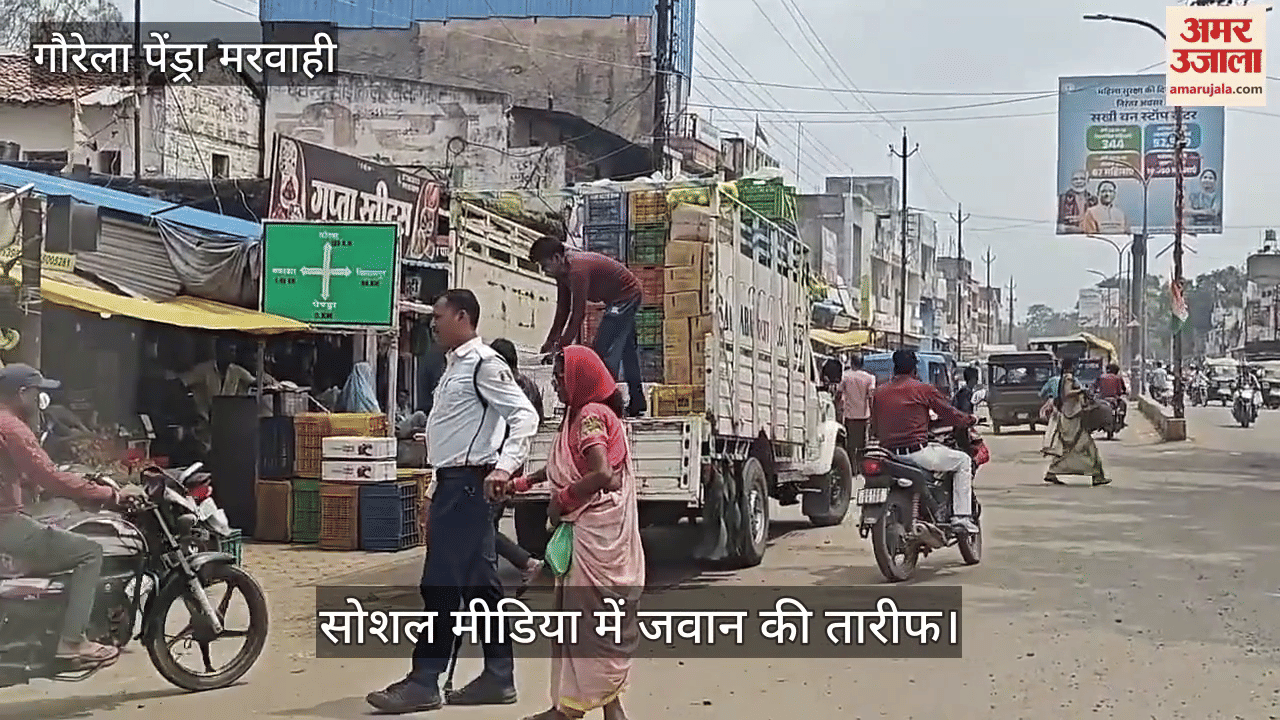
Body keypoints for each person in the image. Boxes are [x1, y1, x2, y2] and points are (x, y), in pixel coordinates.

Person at [367, 289, 539, 714]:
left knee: (440, 586)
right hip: (452, 485)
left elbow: (525, 416)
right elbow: (450, 439)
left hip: (468, 488)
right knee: (483, 591)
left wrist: (505, 467)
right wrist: (431, 491)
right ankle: (498, 677)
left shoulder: (483, 364)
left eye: (439, 317)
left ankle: (425, 680)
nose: (433, 324)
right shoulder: (453, 368)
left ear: (464, 316)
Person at [497, 345, 645, 720]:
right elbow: (563, 464)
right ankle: (604, 710)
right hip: (591, 536)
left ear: (579, 378)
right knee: (586, 620)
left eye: (562, 376)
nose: (557, 383)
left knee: (589, 622)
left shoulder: (592, 416)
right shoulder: (577, 415)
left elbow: (601, 475)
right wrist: (523, 483)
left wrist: (561, 501)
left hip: (598, 537)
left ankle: (571, 712)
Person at [0, 364, 120, 666]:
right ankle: (72, 641)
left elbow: (22, 472)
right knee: (89, 552)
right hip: (4, 522)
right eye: (37, 391)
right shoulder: (11, 427)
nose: (41, 398)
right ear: (22, 393)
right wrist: (107, 494)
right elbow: (49, 476)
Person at [530, 236, 647, 417]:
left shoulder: (577, 270)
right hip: (616, 299)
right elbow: (562, 311)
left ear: (556, 258)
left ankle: (607, 404)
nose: (544, 271)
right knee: (627, 351)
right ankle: (638, 402)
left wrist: (562, 348)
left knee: (602, 351)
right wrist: (549, 343)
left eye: (544, 265)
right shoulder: (562, 274)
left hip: (626, 296)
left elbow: (578, 314)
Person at [870, 350, 979, 535]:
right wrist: (970, 420)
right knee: (963, 461)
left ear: (894, 368)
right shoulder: (923, 389)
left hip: (888, 454)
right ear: (914, 368)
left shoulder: (879, 393)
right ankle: (961, 517)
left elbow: (874, 425)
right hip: (917, 454)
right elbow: (949, 413)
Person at [488, 337, 545, 584]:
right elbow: (539, 421)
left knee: (484, 523)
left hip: (502, 464)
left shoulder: (505, 387)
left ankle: (526, 562)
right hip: (521, 462)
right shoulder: (530, 386)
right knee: (491, 521)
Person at [1042, 358, 1110, 487]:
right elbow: (1068, 393)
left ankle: (1052, 472)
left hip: (1069, 417)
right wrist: (1081, 391)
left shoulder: (1063, 378)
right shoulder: (1069, 378)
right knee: (1087, 448)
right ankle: (1097, 475)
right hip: (1071, 418)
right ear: (1071, 366)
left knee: (1069, 449)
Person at [836, 353, 875, 462]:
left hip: (849, 416)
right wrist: (873, 415)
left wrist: (838, 409)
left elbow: (839, 394)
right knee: (863, 444)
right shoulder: (870, 378)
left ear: (851, 363)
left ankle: (852, 467)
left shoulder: (845, 376)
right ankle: (860, 467)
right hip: (864, 416)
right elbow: (871, 397)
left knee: (850, 444)